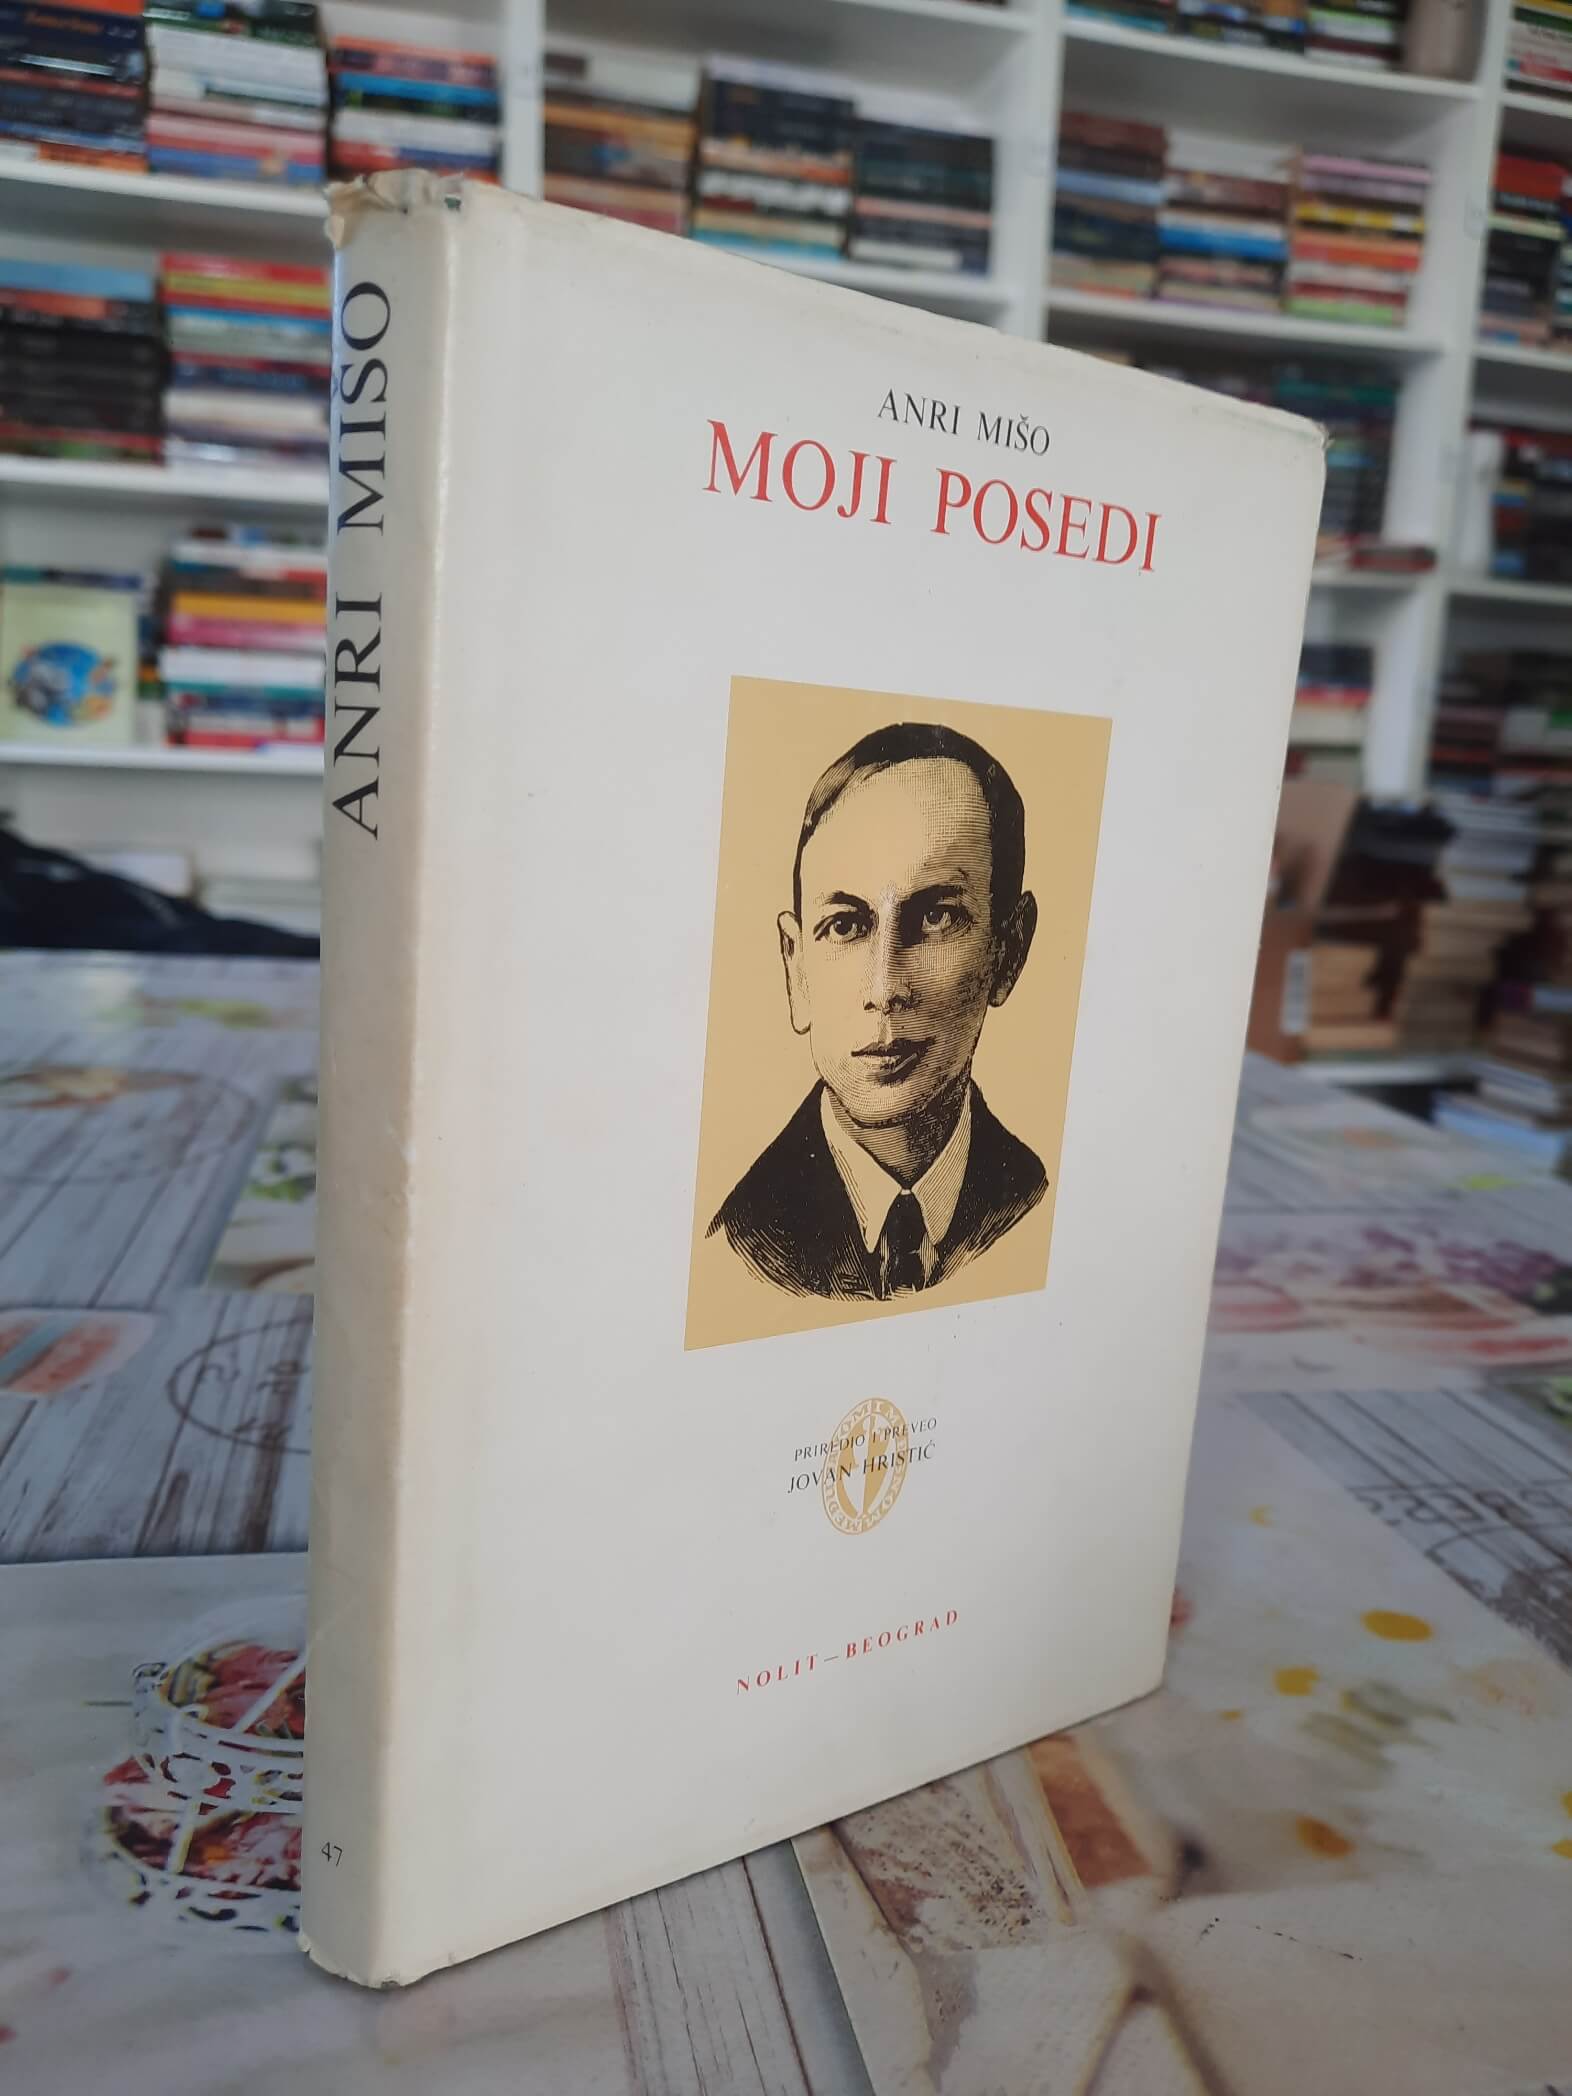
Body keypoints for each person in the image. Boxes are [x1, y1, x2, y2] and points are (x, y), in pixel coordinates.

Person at [710, 719, 1045, 1301]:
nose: (885, 987)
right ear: (796, 968)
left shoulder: (1037, 1205)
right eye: (845, 926)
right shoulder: (736, 1243)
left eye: (936, 917)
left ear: (1008, 951)